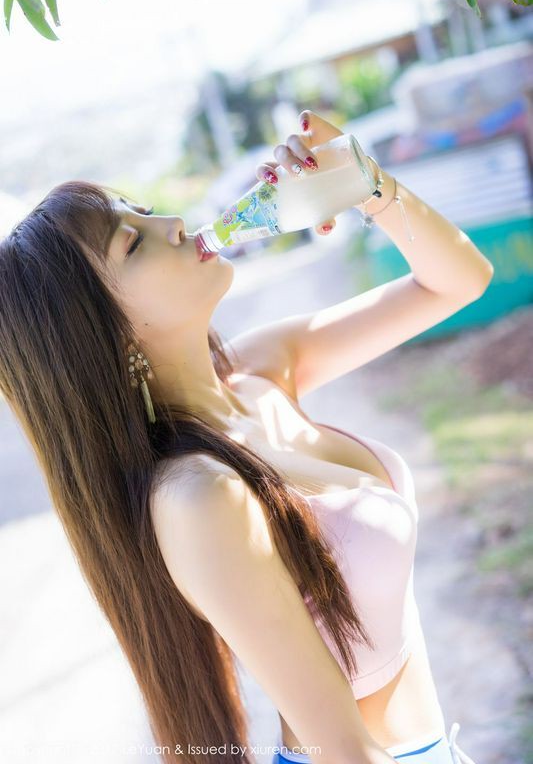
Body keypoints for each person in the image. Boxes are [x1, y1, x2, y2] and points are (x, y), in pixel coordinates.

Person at [0, 110, 490, 764]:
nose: (173, 222)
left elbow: (458, 281)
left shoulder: (259, 369)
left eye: (144, 210)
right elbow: (344, 750)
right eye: (133, 243)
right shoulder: (198, 495)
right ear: (102, 335)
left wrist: (366, 185)